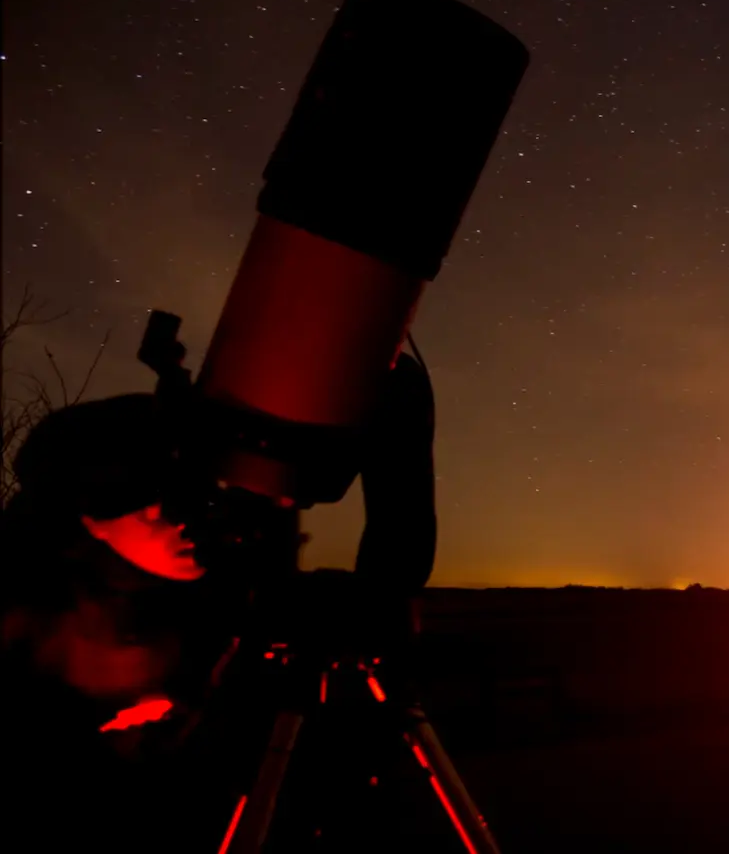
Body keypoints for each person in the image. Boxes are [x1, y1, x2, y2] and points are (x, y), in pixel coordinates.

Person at [0, 350, 436, 846]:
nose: (187, 525)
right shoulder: (33, 619)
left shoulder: (221, 584)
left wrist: (400, 420)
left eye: (195, 500)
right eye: (152, 510)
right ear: (87, 520)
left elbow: (377, 590)